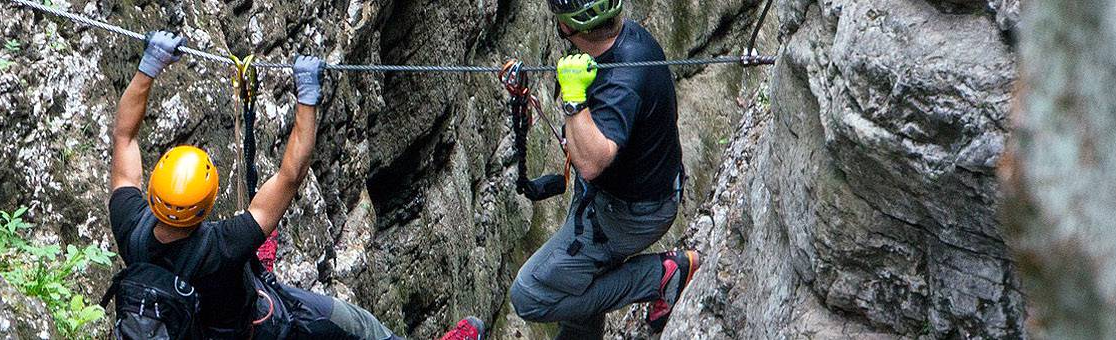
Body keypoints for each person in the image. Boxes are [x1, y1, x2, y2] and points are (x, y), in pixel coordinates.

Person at [108, 31, 485, 340]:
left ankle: (257, 270)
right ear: (206, 208)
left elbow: (124, 138)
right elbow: (291, 175)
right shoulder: (224, 246)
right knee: (359, 327)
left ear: (153, 191)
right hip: (264, 325)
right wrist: (307, 96)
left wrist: (148, 68)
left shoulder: (131, 227)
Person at [507, 0, 703, 338]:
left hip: (629, 214)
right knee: (573, 281)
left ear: (568, 26)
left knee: (529, 296)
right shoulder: (629, 41)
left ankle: (662, 277)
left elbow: (592, 162)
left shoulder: (623, 80)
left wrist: (573, 98)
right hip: (633, 194)